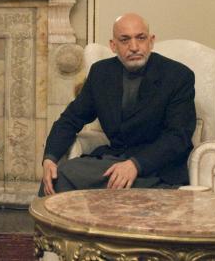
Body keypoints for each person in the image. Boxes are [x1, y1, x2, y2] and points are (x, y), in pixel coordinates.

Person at [40, 13, 196, 196]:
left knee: (136, 188)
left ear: (151, 41)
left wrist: (136, 164)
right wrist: (50, 158)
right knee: (59, 175)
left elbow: (178, 137)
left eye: (141, 38)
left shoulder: (177, 76)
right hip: (113, 161)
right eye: (125, 40)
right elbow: (70, 119)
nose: (134, 47)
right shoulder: (101, 73)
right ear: (113, 45)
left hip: (157, 168)